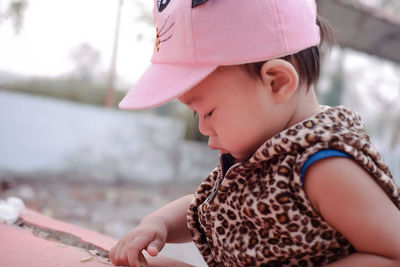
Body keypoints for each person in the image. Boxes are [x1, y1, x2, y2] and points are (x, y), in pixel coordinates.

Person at [110, 0, 400, 266]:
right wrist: (157, 224)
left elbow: (391, 253)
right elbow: (210, 206)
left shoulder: (325, 165)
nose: (202, 127)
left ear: (276, 83)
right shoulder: (265, 150)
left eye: (208, 112)